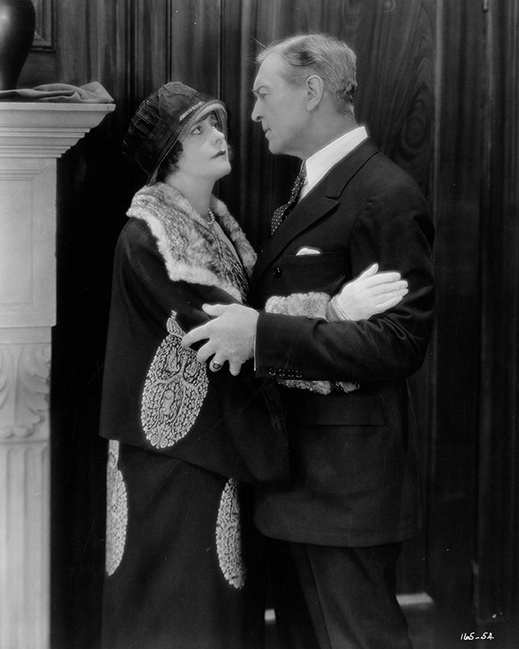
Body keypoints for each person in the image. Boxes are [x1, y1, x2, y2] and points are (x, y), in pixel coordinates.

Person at [99, 80, 407, 649]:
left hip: (217, 453)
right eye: (198, 130)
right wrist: (334, 310)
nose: (219, 136)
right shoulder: (147, 239)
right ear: (168, 154)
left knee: (221, 612)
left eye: (217, 123)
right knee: (183, 610)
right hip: (174, 463)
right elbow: (222, 335)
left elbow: (249, 321)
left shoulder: (217, 227)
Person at [182, 34, 435, 649]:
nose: (254, 113)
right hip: (298, 485)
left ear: (313, 90)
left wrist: (263, 335)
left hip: (345, 491)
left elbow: (399, 344)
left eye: (264, 94)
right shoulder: (309, 184)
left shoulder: (385, 194)